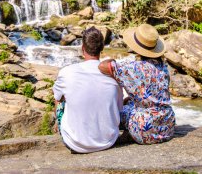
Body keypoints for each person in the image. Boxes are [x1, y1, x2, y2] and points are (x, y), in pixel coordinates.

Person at [99, 23, 175, 145]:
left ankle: (126, 135)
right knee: (129, 102)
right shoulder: (163, 67)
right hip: (167, 126)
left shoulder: (133, 68)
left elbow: (103, 66)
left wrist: (112, 61)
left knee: (116, 111)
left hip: (145, 130)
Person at [53, 26, 123, 154]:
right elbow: (119, 108)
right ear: (102, 48)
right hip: (108, 141)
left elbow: (57, 99)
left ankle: (60, 128)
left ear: (82, 48)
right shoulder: (114, 74)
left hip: (75, 143)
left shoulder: (66, 72)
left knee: (60, 100)